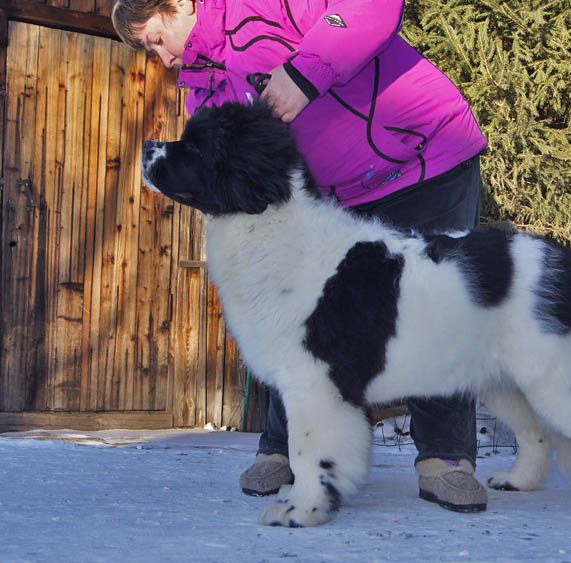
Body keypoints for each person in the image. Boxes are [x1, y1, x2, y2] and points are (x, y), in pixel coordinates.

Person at [112, 0, 489, 513]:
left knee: (431, 307)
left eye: (155, 39)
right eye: (147, 51)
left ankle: (444, 457)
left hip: (422, 157)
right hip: (336, 194)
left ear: (177, 5)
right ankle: (287, 448)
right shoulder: (203, 85)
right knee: (294, 316)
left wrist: (303, 73)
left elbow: (372, 8)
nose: (160, 58)